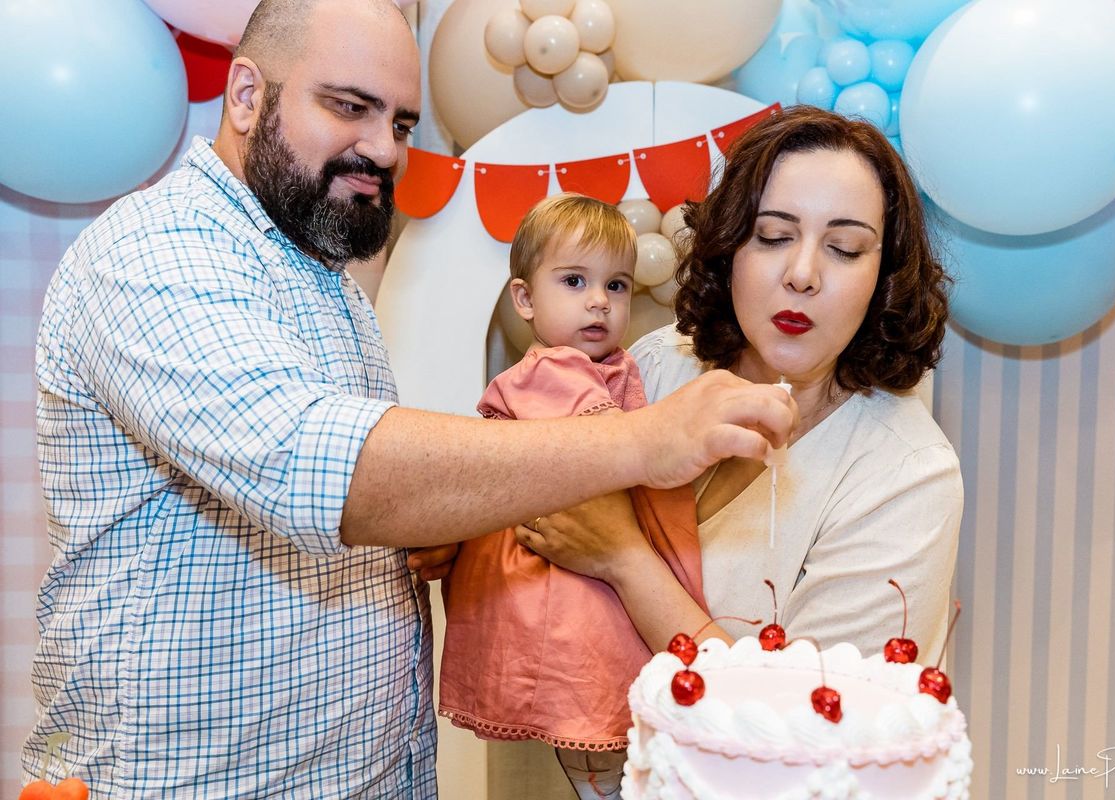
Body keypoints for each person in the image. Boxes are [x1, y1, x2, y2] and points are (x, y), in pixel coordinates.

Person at [22, 1, 797, 797]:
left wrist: (422, 540)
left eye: (399, 123)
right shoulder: (159, 251)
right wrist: (645, 440)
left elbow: (342, 500)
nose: (384, 149)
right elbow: (319, 469)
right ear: (247, 96)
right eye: (348, 106)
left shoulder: (324, 280)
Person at [516, 105, 964, 667]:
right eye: (773, 236)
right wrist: (473, 540)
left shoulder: (907, 474)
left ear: (885, 276)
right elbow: (547, 486)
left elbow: (811, 709)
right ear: (730, 248)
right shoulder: (657, 363)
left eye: (844, 248)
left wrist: (624, 560)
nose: (802, 274)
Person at [439, 194, 707, 800]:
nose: (599, 301)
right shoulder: (551, 372)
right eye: (574, 281)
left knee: (609, 726)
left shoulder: (613, 367)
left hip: (594, 556)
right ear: (525, 299)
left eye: (616, 285)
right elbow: (607, 445)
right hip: (566, 583)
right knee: (595, 707)